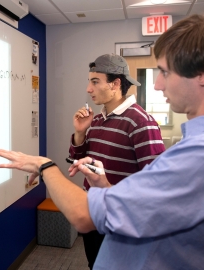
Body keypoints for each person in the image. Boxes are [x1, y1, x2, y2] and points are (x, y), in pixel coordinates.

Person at [0, 12, 204, 270]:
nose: (157, 85)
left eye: (166, 72)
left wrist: (45, 166)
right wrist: (104, 183)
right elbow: (155, 198)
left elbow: (85, 215)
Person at [69, 53, 165, 269]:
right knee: (95, 264)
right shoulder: (98, 119)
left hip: (120, 221)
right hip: (94, 211)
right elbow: (78, 159)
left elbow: (156, 185)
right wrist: (79, 134)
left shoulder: (141, 122)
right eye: (89, 82)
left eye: (95, 82)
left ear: (116, 84)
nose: (88, 89)